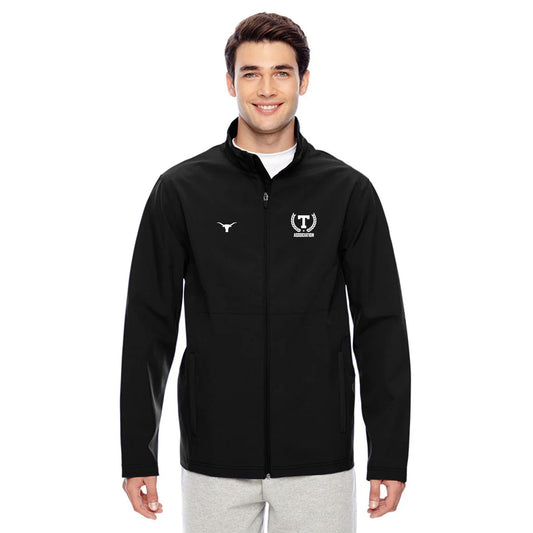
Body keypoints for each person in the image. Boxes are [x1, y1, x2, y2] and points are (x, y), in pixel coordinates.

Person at [120, 11, 411, 532]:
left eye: (282, 72)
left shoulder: (347, 192)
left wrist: (388, 455)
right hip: (214, 457)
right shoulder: (181, 190)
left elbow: (381, 327)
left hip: (320, 458)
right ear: (230, 82)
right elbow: (149, 325)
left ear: (304, 80)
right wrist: (137, 451)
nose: (267, 89)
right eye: (251, 72)